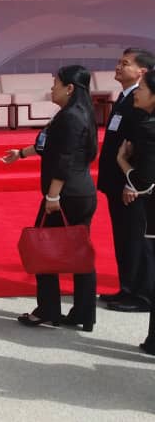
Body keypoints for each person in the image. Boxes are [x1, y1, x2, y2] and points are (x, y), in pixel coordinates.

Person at [3, 65, 98, 330]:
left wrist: (53, 196)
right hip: (80, 192)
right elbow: (50, 146)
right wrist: (21, 154)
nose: (52, 88)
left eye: (56, 83)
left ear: (69, 88)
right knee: (80, 252)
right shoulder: (78, 113)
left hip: (66, 195)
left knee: (42, 248)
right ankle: (83, 313)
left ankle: (47, 309)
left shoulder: (71, 117)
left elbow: (65, 160)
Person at [97, 48, 155, 313]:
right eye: (119, 62)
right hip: (116, 182)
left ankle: (140, 294)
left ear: (142, 71)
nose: (119, 67)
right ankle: (127, 287)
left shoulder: (142, 102)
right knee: (123, 238)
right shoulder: (125, 97)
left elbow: (142, 149)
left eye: (126, 63)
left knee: (135, 239)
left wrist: (132, 183)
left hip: (131, 186)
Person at [115, 68, 155, 354]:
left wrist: (122, 161)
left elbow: (143, 181)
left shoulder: (149, 129)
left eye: (142, 89)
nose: (137, 93)